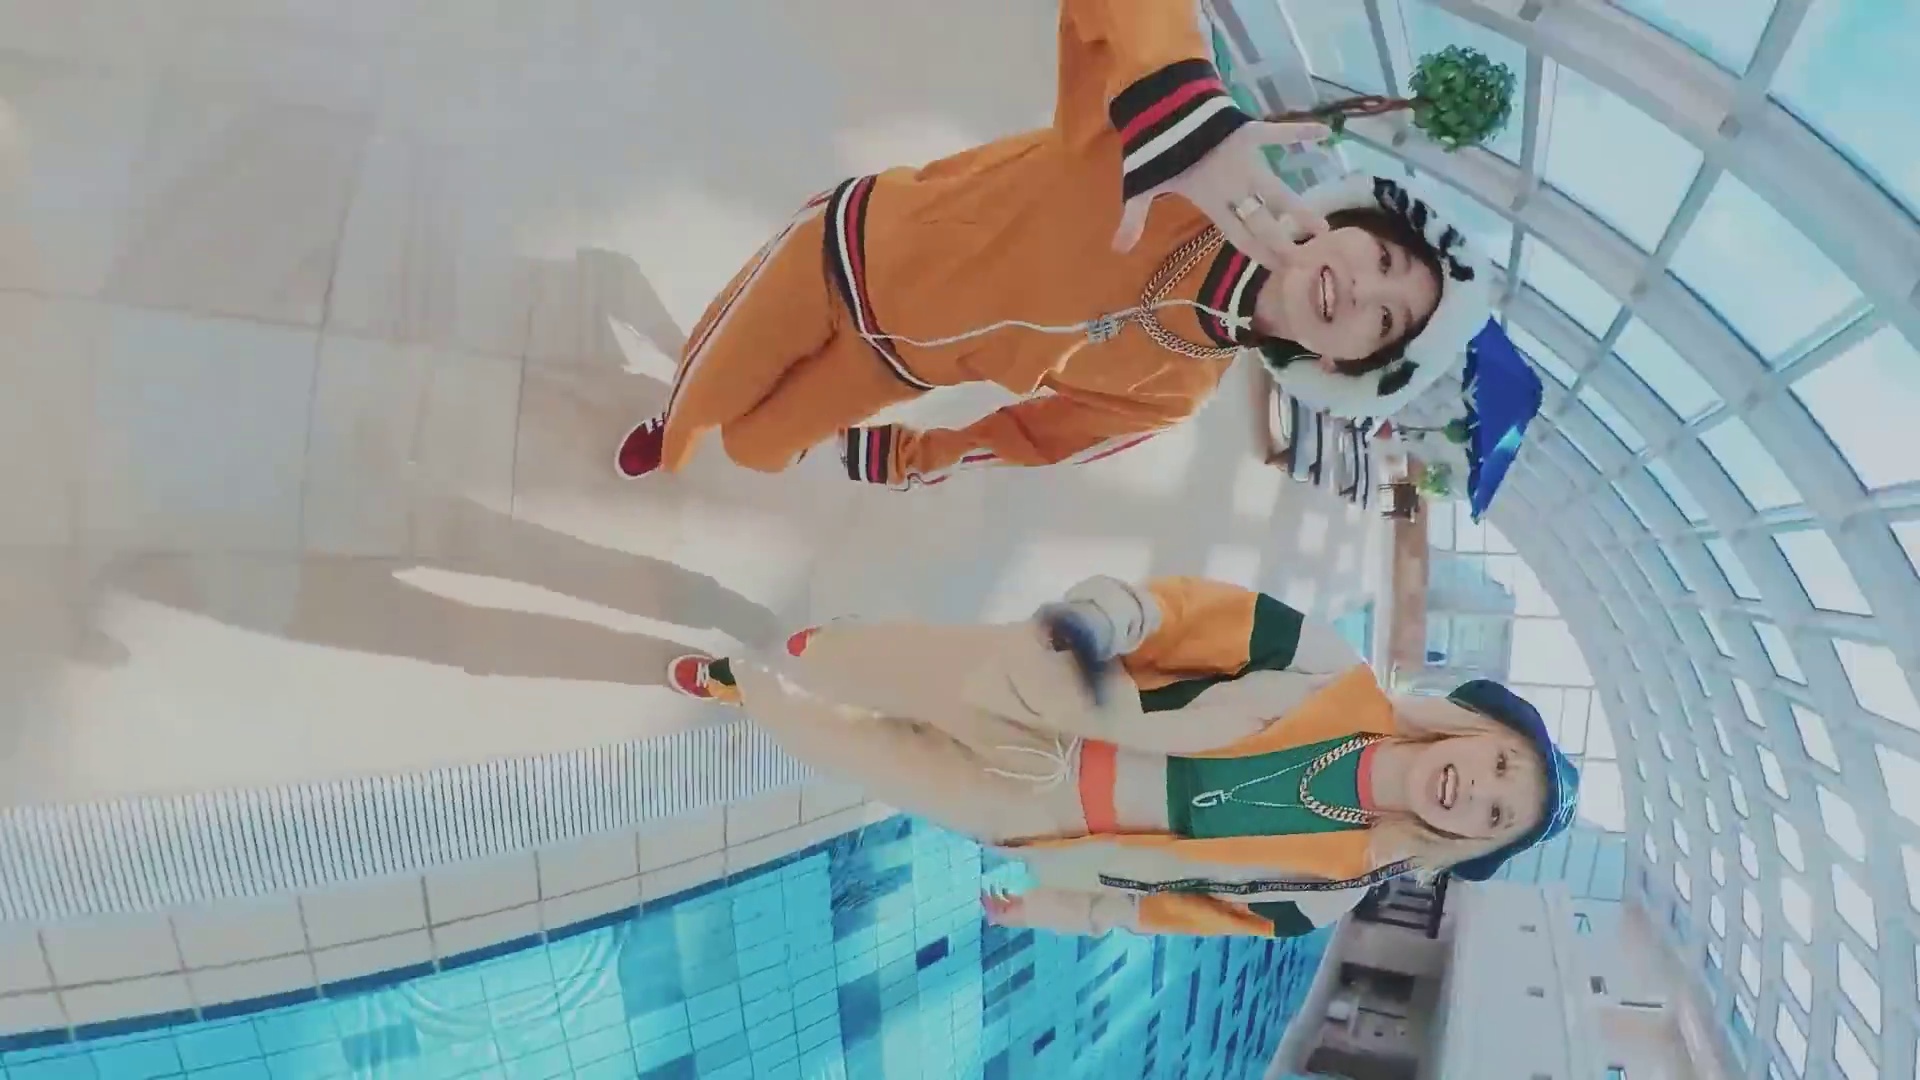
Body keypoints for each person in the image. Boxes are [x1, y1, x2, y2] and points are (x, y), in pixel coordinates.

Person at [615, 0, 1493, 489]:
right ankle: (673, 414)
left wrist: (913, 456)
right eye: (1384, 260)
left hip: (893, 368)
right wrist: (1184, 110)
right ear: (1347, 222)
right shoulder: (1166, 163)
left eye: (1386, 322)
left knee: (757, 449)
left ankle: (739, 402)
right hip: (845, 251)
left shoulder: (1177, 392)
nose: (1365, 291)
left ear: (1342, 364)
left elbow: (1037, 437)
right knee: (700, 413)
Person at [665, 575, 1578, 938]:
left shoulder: (1322, 894)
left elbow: (1166, 911)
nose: (1477, 792)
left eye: (1496, 816)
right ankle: (824, 649)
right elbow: (1187, 613)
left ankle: (747, 687)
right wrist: (1108, 616)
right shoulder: (1329, 668)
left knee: (849, 751)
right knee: (861, 662)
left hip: (1031, 815)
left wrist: (1053, 908)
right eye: (1501, 765)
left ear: (1472, 843)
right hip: (1049, 701)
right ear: (1474, 729)